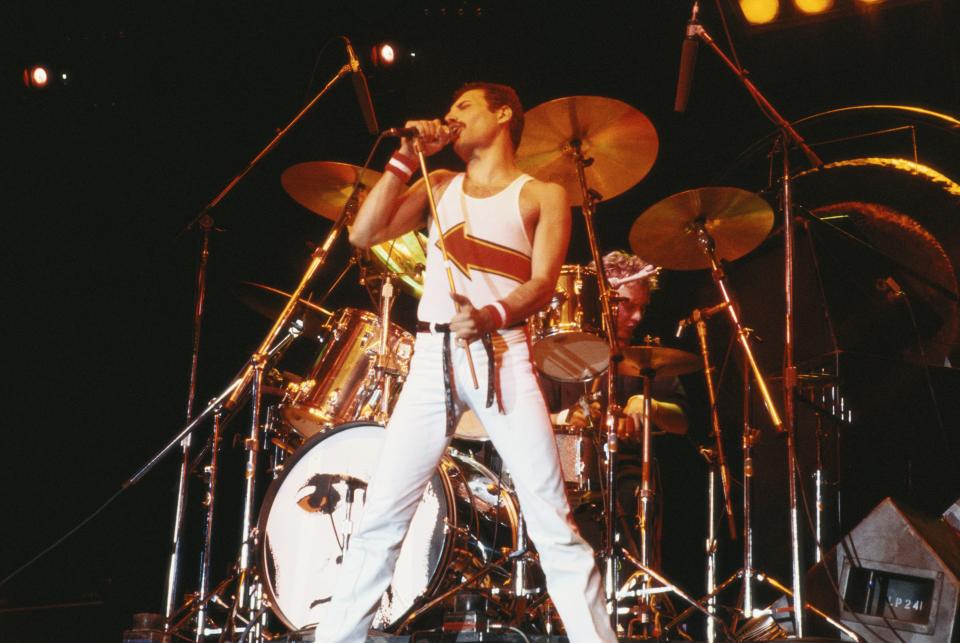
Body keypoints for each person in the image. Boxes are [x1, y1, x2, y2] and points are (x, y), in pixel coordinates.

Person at [312, 82, 617, 642]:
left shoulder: (542, 194)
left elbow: (544, 283)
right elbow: (362, 232)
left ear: (503, 114)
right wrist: (406, 159)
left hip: (503, 354)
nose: (449, 116)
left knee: (551, 519)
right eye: (448, 108)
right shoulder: (441, 184)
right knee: (382, 516)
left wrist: (492, 314)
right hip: (433, 358)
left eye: (463, 106)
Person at [548, 250, 689, 439]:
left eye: (643, 307)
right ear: (602, 301)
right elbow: (522, 420)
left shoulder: (647, 353)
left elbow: (682, 422)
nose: (638, 317)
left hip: (629, 465)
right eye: (628, 306)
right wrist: (561, 418)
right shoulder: (562, 350)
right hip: (567, 459)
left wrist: (649, 404)